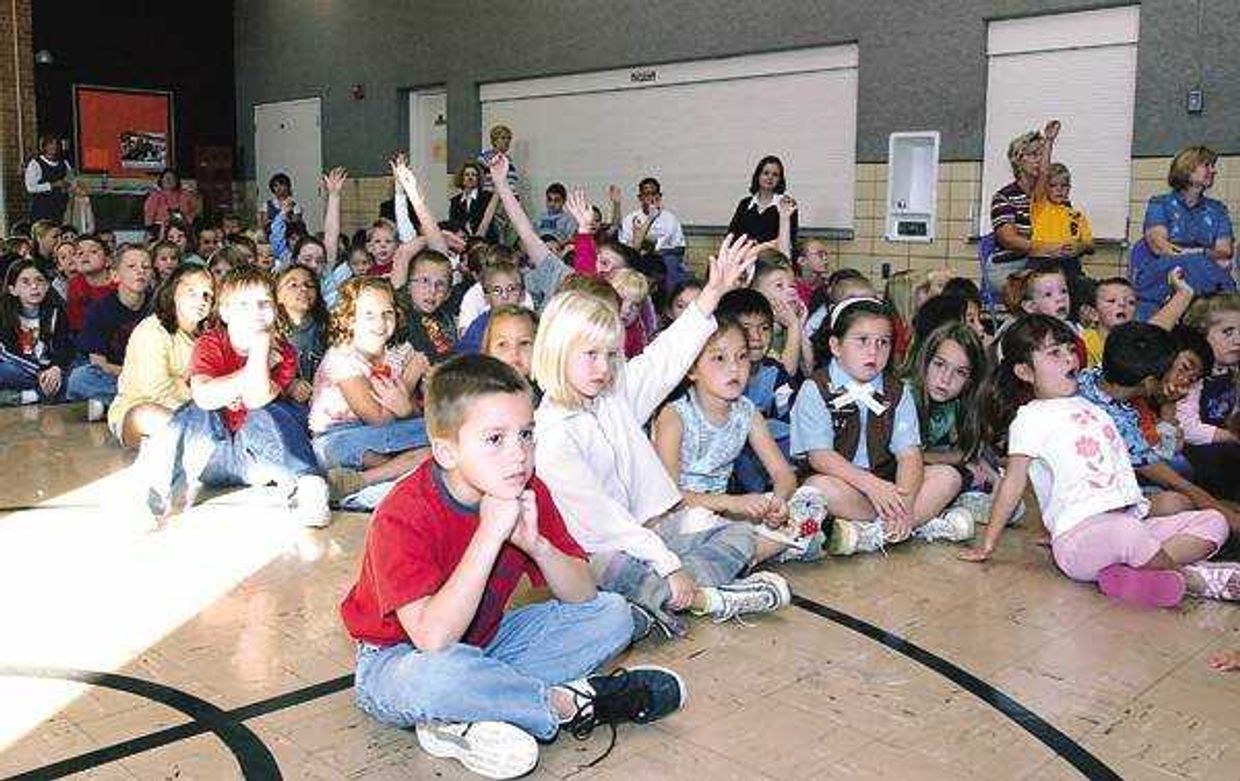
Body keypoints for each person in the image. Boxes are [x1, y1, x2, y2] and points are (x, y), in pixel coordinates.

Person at [338, 354, 685, 779]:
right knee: (436, 680)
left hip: (487, 643)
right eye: (494, 439)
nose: (518, 455)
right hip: (399, 661)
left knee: (613, 614)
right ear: (447, 451)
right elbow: (432, 638)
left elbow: (584, 595)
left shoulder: (526, 489)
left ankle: (471, 714)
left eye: (526, 434)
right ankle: (565, 702)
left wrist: (536, 544)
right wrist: (489, 535)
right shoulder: (402, 512)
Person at [532, 235, 792, 636]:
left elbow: (664, 356)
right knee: (616, 568)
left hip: (650, 531)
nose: (604, 367)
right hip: (598, 548)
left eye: (612, 354)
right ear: (558, 350)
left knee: (735, 532)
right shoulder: (553, 436)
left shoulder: (612, 391)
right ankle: (703, 598)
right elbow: (604, 523)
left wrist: (714, 292)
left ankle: (664, 603)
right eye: (591, 355)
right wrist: (667, 563)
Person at [961, 315, 1237, 607]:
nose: (1069, 358)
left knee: (1214, 521)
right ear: (1025, 372)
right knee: (1127, 535)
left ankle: (1132, 574)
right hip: (1078, 541)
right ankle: (1194, 578)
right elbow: (1014, 482)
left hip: (1130, 520)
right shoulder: (1030, 418)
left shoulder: (1092, 405)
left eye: (1069, 349)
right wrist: (988, 543)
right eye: (1055, 353)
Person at [141, 265, 330, 527]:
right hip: (210, 453)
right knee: (192, 412)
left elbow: (256, 399)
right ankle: (158, 488)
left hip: (256, 455)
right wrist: (252, 370)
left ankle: (308, 483)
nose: (255, 312)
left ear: (276, 309)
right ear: (226, 312)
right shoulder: (210, 342)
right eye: (244, 305)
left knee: (274, 413)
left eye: (264, 303)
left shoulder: (284, 351)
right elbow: (205, 396)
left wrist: (260, 347)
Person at [792, 298, 973, 556]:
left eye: (883, 343)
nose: (873, 352)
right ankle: (910, 526)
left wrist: (905, 504)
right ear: (836, 345)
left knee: (948, 476)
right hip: (844, 483)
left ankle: (880, 531)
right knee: (818, 489)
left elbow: (909, 455)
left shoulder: (897, 391)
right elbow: (820, 456)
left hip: (888, 483)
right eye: (862, 340)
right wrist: (871, 486)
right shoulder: (815, 388)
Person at [652, 320, 824, 561]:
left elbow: (783, 474)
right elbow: (667, 497)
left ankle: (748, 552)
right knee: (704, 523)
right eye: (719, 358)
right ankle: (767, 549)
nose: (734, 368)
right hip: (678, 519)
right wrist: (732, 503)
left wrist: (778, 503)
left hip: (723, 515)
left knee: (807, 501)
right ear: (691, 370)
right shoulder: (675, 416)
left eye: (742, 356)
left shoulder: (747, 412)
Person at [1076, 321, 1240, 530]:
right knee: (1183, 499)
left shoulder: (1093, 378)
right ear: (1150, 380)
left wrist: (1167, 406)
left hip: (1122, 484)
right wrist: (1225, 515)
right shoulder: (1118, 421)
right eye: (1182, 369)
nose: (1183, 382)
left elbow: (1164, 455)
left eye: (1191, 380)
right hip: (1094, 505)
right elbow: (1173, 476)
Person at [309, 277, 431, 498]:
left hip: (388, 434)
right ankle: (392, 476)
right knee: (426, 450)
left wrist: (407, 410)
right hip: (338, 438)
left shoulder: (400, 352)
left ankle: (364, 480)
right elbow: (378, 418)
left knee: (442, 434)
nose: (380, 322)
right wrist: (410, 376)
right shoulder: (342, 359)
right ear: (350, 320)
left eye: (387, 313)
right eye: (369, 315)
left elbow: (411, 409)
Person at [108, 265, 214, 447]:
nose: (201, 300)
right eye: (192, 292)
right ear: (173, 292)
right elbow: (155, 390)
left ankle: (200, 442)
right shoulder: (152, 330)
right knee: (145, 415)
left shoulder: (208, 335)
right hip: (146, 409)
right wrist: (200, 391)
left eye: (207, 295)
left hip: (199, 412)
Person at [1134, 146, 1235, 319]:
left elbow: (1225, 250)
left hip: (1205, 271)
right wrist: (1201, 254)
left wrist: (1199, 255)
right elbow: (1160, 247)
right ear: (1187, 168)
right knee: (1203, 270)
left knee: (1202, 268)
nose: (1214, 170)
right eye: (1207, 165)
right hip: (1164, 272)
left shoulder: (1218, 209)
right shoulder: (1159, 204)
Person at [67, 244, 153, 421]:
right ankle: (143, 404)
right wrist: (136, 374)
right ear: (115, 275)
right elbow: (99, 364)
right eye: (131, 267)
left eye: (146, 267)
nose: (140, 271)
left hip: (155, 377)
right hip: (118, 376)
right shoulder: (99, 309)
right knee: (79, 378)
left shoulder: (159, 307)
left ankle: (113, 403)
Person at [1175, 293, 1240, 502]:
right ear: (1201, 335)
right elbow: (1188, 428)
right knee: (1224, 457)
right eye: (1227, 332)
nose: (1238, 340)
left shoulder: (1233, 371)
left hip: (1224, 441)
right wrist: (1231, 436)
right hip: (1193, 448)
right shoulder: (1193, 375)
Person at [985, 122, 1054, 299]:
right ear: (1018, 160)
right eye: (1033, 155)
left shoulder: (1047, 198)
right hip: (1007, 268)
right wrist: (1047, 248)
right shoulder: (1004, 197)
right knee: (1050, 287)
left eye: (1042, 155)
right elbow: (1009, 240)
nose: (1039, 159)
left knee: (1067, 281)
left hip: (1036, 264)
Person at [0, 260, 72, 405]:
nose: (34, 286)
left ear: (47, 286)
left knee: (78, 375)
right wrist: (39, 372)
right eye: (25, 282)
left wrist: (56, 369)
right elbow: (5, 353)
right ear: (13, 289)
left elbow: (64, 346)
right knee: (5, 370)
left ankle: (23, 397)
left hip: (50, 370)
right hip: (21, 369)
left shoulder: (56, 313)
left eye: (39, 280)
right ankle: (42, 395)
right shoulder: (4, 314)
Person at [1027, 121, 1093, 279]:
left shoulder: (1076, 215)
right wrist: (1049, 141)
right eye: (1053, 186)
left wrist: (1080, 247)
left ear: (1069, 188)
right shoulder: (1040, 206)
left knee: (1085, 288)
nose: (1059, 190)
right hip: (1043, 262)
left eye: (1064, 186)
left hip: (1069, 264)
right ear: (1045, 187)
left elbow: (1090, 244)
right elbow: (1043, 172)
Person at [619, 178, 687, 292]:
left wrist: (658, 252)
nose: (650, 197)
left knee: (670, 263)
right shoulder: (630, 219)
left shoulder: (671, 219)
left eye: (654, 194)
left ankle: (667, 302)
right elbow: (623, 248)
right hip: (636, 258)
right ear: (640, 197)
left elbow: (680, 249)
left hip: (663, 259)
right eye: (646, 194)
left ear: (659, 196)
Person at [275, 263, 328, 405]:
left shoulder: (327, 328)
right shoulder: (270, 333)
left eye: (309, 285)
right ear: (277, 295)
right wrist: (289, 386)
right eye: (293, 285)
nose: (303, 289)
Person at [728, 156, 796, 248]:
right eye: (766, 173)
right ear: (758, 176)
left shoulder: (787, 204)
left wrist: (760, 247)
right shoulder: (745, 204)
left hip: (773, 259)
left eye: (775, 174)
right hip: (745, 256)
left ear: (780, 179)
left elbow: (789, 240)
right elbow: (732, 235)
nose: (770, 177)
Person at [65, 234, 116, 333]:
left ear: (108, 261)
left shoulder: (120, 283)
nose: (85, 255)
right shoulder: (75, 285)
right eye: (79, 253)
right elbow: (77, 326)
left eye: (93, 251)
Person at [24, 134, 73, 223]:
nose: (54, 147)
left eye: (56, 144)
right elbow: (30, 187)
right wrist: (53, 185)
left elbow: (71, 180)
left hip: (61, 206)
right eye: (50, 144)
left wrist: (68, 186)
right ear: (44, 146)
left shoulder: (64, 163)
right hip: (42, 208)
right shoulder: (35, 163)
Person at [449, 161, 498, 242]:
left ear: (478, 178)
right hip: (464, 242)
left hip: (487, 241)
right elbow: (453, 224)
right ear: (462, 178)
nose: (470, 178)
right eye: (467, 175)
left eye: (474, 175)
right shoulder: (455, 201)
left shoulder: (487, 197)